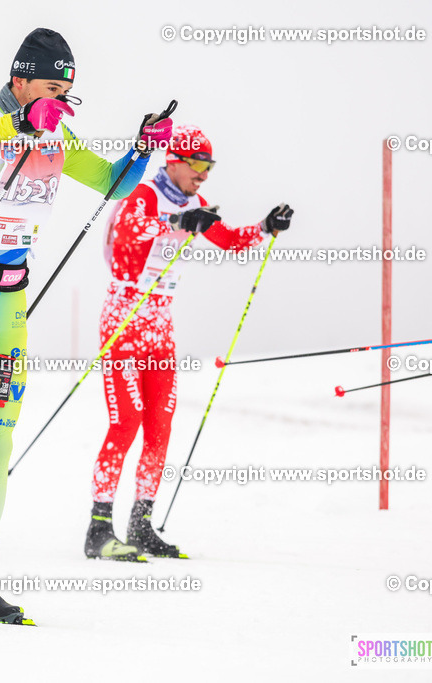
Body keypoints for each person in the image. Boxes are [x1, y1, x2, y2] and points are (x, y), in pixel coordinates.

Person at [0, 27, 173, 627]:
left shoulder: (56, 134)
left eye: (67, 91)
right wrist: (14, 126)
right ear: (19, 81)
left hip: (10, 305)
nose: (60, 100)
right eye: (51, 88)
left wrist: (142, 149)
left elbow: (114, 184)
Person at [88, 125, 294, 560]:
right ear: (174, 162)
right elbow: (129, 230)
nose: (203, 175)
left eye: (209, 167)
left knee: (159, 426)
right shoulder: (144, 194)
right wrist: (177, 222)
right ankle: (99, 528)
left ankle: (140, 525)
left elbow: (230, 241)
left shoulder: (195, 206)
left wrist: (265, 227)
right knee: (126, 422)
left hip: (160, 324)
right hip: (125, 317)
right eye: (197, 165)